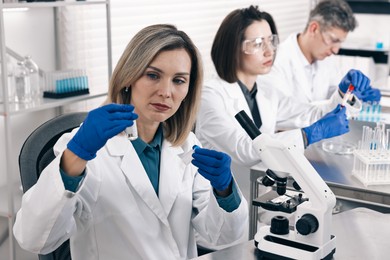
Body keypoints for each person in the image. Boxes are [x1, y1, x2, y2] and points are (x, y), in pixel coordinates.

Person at [13, 24, 248, 260]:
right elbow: (34, 238)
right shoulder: (86, 147)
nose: (166, 92)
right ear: (129, 77)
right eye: (153, 75)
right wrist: (76, 156)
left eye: (178, 80)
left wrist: (225, 190)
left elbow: (221, 238)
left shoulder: (185, 145)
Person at [195, 5, 371, 172]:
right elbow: (244, 150)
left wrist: (342, 93)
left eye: (271, 41)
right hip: (220, 199)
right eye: (257, 43)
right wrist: (307, 135)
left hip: (258, 191)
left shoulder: (265, 92)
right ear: (233, 48)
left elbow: (312, 116)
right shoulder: (211, 96)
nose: (269, 51)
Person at [259, 0, 381, 105]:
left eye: (340, 43)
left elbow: (333, 93)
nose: (335, 50)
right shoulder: (277, 62)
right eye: (333, 40)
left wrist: (350, 94)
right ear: (314, 29)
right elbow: (284, 115)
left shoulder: (326, 59)